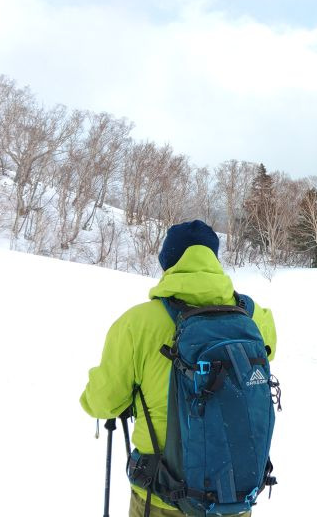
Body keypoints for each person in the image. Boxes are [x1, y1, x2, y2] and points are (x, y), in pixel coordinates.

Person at [81, 220, 277, 517]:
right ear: (214, 259)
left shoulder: (137, 323)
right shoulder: (254, 317)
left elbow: (104, 402)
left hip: (161, 497)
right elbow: (269, 351)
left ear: (168, 263)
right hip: (233, 497)